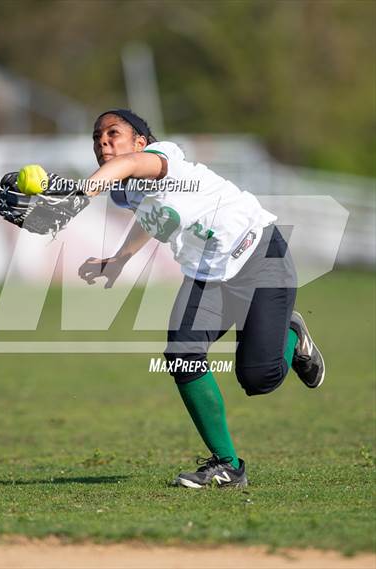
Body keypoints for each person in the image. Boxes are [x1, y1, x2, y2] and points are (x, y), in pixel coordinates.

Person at [77, 108, 325, 489]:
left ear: (141, 142)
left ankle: (295, 335)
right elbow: (153, 218)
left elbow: (128, 165)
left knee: (259, 378)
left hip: (259, 254)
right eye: (97, 137)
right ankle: (227, 466)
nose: (103, 141)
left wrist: (73, 191)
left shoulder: (165, 160)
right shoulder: (125, 190)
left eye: (113, 133)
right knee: (181, 355)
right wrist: (120, 260)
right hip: (208, 274)